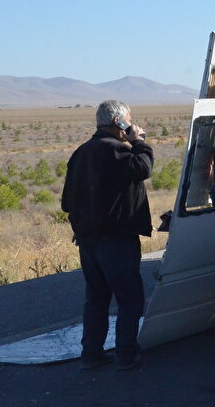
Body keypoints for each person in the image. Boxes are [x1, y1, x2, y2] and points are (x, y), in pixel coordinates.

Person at [61, 100, 154, 371]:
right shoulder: (115, 151)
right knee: (129, 299)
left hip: (88, 241)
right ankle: (126, 354)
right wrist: (139, 142)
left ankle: (91, 354)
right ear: (118, 123)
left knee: (97, 299)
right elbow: (143, 168)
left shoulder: (80, 153)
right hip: (116, 240)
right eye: (128, 121)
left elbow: (67, 202)